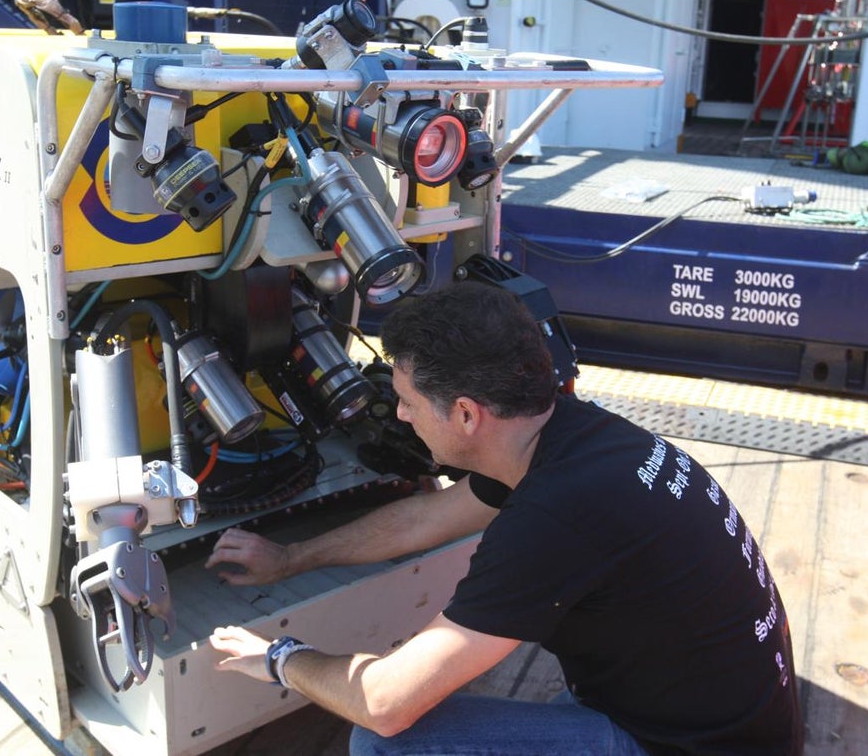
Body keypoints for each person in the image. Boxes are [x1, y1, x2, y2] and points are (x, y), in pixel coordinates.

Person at [207, 280, 803, 756]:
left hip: (683, 746)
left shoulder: (555, 515)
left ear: (465, 415)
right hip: (726, 722)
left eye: (409, 403)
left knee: (389, 745)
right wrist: (288, 558)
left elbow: (384, 701)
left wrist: (281, 659)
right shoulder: (569, 432)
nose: (404, 417)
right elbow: (422, 521)